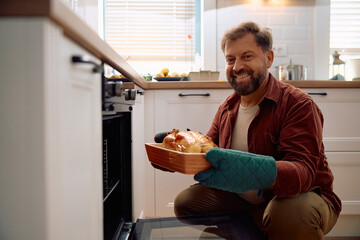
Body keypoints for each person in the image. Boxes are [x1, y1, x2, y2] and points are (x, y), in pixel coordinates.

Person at [172, 21, 341, 239]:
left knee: (287, 213)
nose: (237, 66)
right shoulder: (227, 108)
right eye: (230, 59)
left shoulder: (298, 104)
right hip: (247, 203)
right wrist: (176, 151)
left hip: (303, 198)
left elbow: (303, 173)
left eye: (247, 56)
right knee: (186, 203)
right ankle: (254, 230)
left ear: (268, 58)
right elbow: (208, 153)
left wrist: (251, 171)